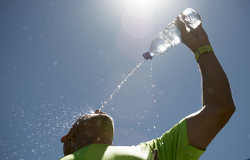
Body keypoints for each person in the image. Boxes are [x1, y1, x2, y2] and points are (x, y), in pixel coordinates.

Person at [59, 15, 235, 160]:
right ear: (69, 139)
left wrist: (202, 48)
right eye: (85, 115)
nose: (98, 110)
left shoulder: (155, 150)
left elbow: (220, 108)